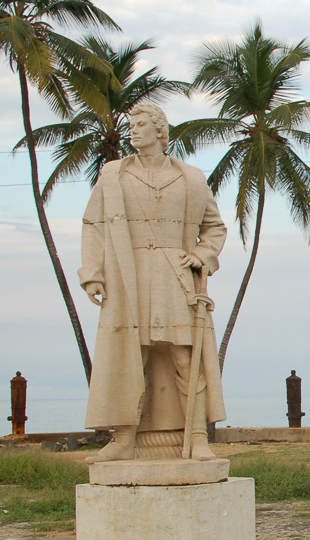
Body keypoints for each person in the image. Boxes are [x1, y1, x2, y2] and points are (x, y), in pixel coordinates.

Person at [79, 103, 228, 463]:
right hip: (127, 275)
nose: (134, 130)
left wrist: (202, 255)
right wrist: (93, 274)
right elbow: (94, 225)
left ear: (160, 131)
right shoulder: (113, 175)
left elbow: (214, 227)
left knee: (184, 355)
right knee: (132, 356)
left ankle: (196, 438)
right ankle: (124, 439)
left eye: (141, 124)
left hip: (174, 275)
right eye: (132, 124)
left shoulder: (191, 176)